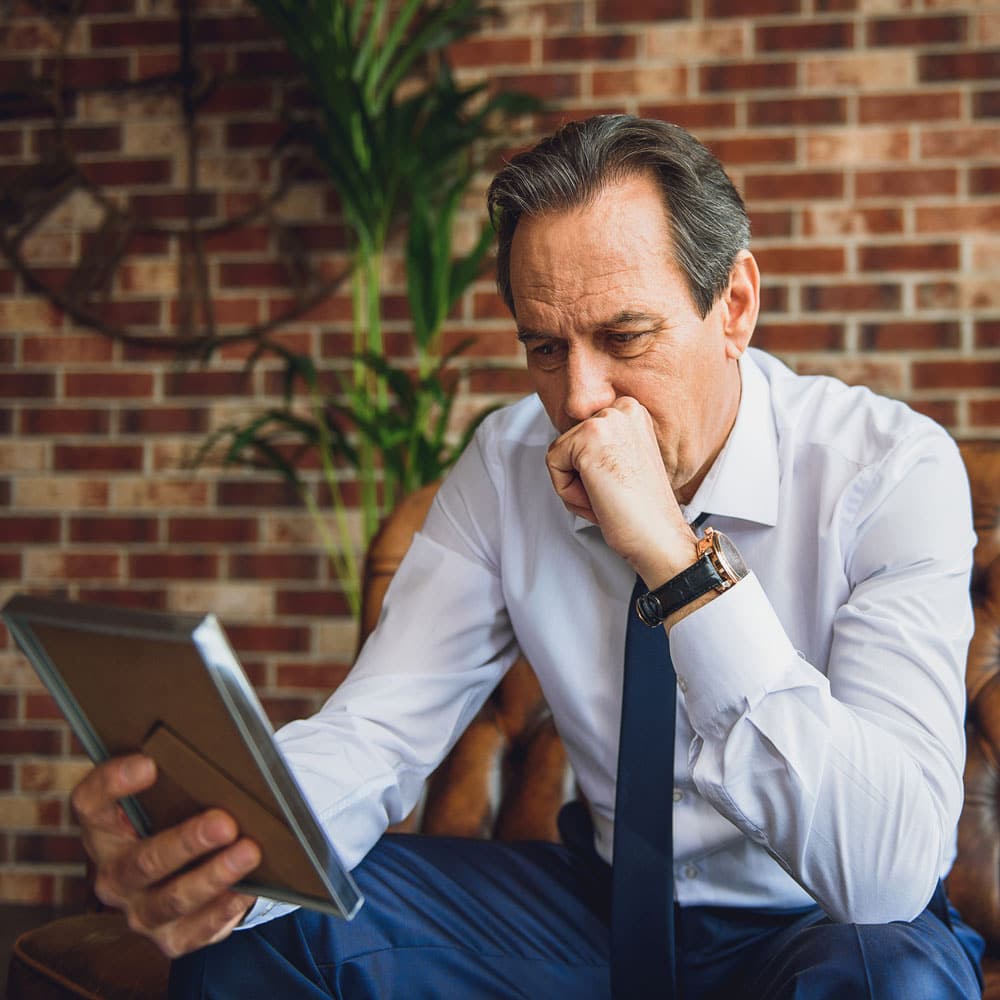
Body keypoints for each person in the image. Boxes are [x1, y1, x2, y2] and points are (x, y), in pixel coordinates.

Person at [71, 115, 985, 999]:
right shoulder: (506, 465)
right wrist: (230, 850)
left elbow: (884, 879)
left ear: (734, 304)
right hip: (597, 912)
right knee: (269, 933)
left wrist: (675, 559)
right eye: (546, 348)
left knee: (891, 978)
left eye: (624, 338)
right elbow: (376, 733)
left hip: (815, 923)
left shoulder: (889, 470)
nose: (581, 397)